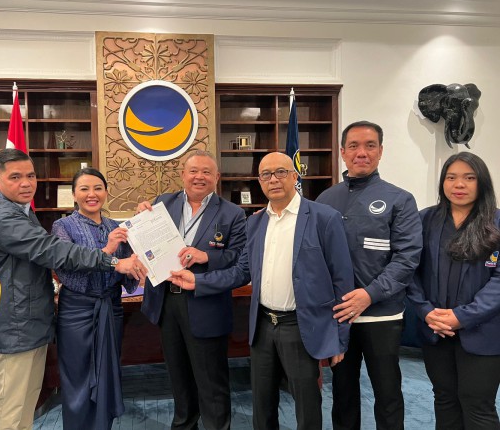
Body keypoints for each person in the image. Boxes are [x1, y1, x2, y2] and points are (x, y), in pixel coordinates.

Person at [170, 151, 354, 430]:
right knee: (263, 406)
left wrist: (340, 336)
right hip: (263, 326)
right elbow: (241, 271)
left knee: (307, 406)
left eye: (281, 172)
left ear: (294, 176)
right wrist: (198, 282)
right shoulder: (255, 223)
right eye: (266, 174)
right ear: (259, 181)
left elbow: (342, 280)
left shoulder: (324, 218)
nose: (274, 179)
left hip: (301, 327)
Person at [0, 149, 147, 430]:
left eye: (31, 176)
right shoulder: (11, 218)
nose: (26, 183)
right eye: (15, 177)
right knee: (16, 402)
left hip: (35, 316)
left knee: (27, 397)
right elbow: (55, 255)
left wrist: (143, 230)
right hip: (24, 319)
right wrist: (112, 259)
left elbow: (130, 266)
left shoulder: (21, 211)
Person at [316, 120, 422, 430]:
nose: (361, 152)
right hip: (339, 316)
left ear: (381, 151)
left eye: (370, 145)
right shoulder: (324, 200)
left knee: (387, 394)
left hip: (382, 316)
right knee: (343, 394)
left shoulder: (400, 199)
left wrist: (369, 294)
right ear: (342, 152)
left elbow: (407, 258)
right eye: (354, 146)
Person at [136, 150, 247, 430]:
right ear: (183, 175)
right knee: (178, 376)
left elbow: (239, 258)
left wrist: (206, 256)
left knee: (211, 380)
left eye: (207, 172)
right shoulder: (162, 204)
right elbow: (144, 244)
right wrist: (140, 221)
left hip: (206, 302)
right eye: (194, 171)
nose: (200, 177)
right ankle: (184, 424)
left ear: (217, 177)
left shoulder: (232, 213)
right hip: (167, 303)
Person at [407, 152, 500, 430]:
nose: (459, 184)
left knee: (478, 405)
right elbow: (409, 270)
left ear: (481, 182)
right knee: (444, 399)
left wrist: (462, 317)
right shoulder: (425, 220)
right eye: (451, 177)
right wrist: (426, 312)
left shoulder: (496, 222)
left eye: (469, 178)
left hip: (483, 332)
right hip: (436, 330)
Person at [51, 168, 139, 430]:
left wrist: (136, 268)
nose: (92, 194)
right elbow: (67, 273)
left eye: (98, 188)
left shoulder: (116, 227)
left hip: (111, 307)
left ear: (106, 192)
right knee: (77, 375)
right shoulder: (63, 226)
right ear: (74, 195)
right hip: (76, 310)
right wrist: (109, 250)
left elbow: (127, 279)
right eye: (84, 189)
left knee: (107, 374)